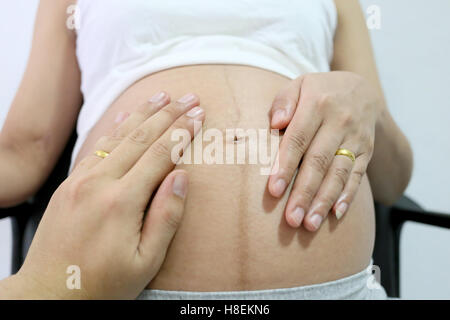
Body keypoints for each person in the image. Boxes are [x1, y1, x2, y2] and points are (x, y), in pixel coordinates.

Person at [0, 0, 412, 299]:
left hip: (339, 289)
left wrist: (369, 107)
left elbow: (391, 183)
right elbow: (22, 153)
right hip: (117, 289)